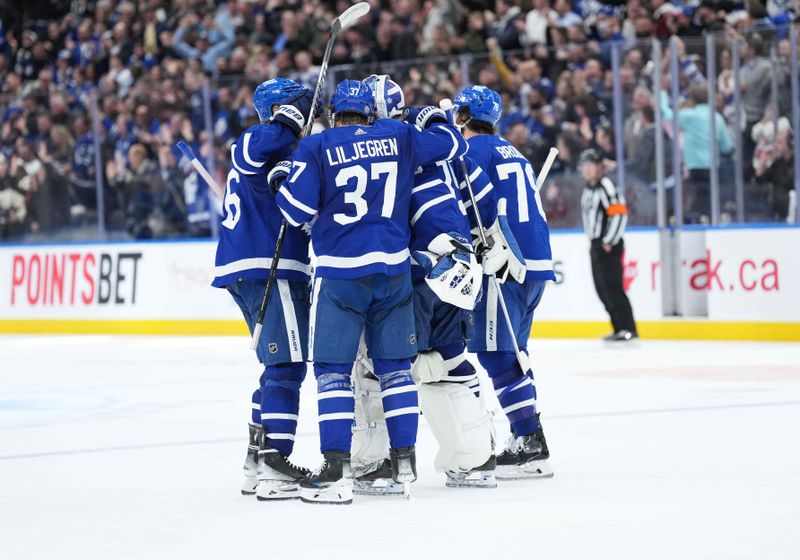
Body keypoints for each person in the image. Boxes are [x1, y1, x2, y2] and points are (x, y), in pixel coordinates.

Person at [272, 79, 468, 505]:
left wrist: (283, 177)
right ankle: (403, 463)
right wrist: (434, 117)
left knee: (333, 374)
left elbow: (294, 211)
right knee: (396, 369)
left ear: (333, 113)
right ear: (371, 113)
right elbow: (453, 145)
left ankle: (336, 470)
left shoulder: (317, 146)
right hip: (394, 273)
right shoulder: (398, 135)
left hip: (341, 277)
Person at [351, 75, 497, 494]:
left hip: (421, 269)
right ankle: (476, 458)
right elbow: (482, 201)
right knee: (448, 360)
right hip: (461, 265)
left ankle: (381, 464)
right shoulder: (439, 142)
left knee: (381, 364)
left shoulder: (381, 148)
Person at [210, 78, 315, 501]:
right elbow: (248, 148)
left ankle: (258, 459)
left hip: (251, 267)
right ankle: (276, 462)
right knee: (288, 367)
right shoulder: (263, 141)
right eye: (296, 108)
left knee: (277, 366)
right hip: (267, 267)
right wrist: (287, 124)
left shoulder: (281, 151)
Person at [453, 85, 556, 480]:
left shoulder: (472, 153)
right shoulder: (514, 153)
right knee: (513, 352)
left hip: (506, 265)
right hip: (536, 264)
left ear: (462, 116)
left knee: (498, 355)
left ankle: (530, 439)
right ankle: (527, 435)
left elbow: (471, 207)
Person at [578, 148, 638, 342]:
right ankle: (618, 327)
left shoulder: (606, 186)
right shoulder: (589, 189)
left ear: (599, 167)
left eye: (590, 165)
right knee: (602, 289)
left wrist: (608, 240)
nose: (586, 169)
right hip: (596, 244)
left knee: (613, 287)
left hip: (608, 245)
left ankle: (628, 328)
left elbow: (619, 213)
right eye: (584, 165)